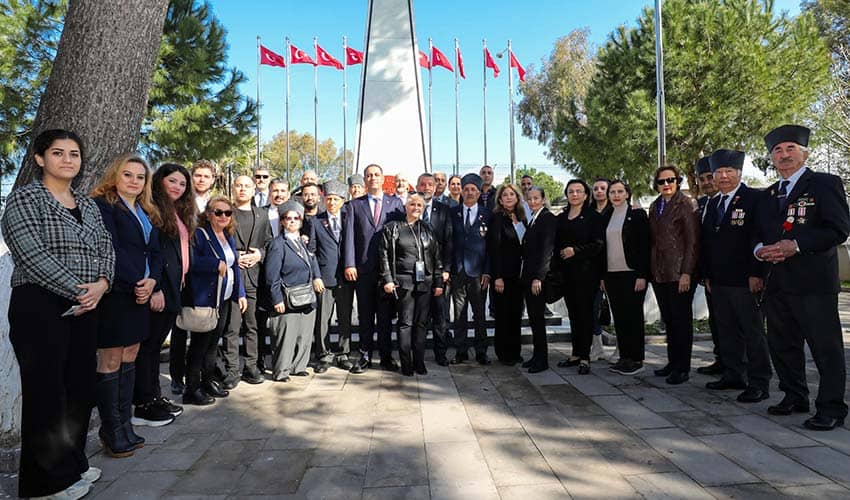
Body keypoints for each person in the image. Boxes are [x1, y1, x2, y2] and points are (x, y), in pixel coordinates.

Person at [2, 129, 114, 498]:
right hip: (41, 306)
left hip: (88, 306)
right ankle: (43, 484)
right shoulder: (25, 199)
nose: (67, 160)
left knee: (79, 390)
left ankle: (72, 466)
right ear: (39, 158)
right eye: (58, 153)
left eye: (74, 154)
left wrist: (102, 284)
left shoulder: (87, 204)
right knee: (47, 394)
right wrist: (80, 289)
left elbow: (106, 250)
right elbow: (31, 255)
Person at [755, 124, 849, 430]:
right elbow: (758, 234)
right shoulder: (769, 194)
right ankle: (794, 395)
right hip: (777, 282)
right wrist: (760, 251)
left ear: (804, 153)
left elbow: (838, 229)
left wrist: (795, 245)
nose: (784, 155)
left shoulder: (824, 184)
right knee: (782, 345)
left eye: (790, 149)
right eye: (778, 151)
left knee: (825, 348)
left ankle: (832, 407)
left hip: (813, 284)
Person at [91, 153, 163, 456]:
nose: (134, 181)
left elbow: (156, 252)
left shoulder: (146, 210)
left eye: (140, 176)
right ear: (115, 176)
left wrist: (152, 281)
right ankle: (110, 429)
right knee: (110, 358)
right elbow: (110, 248)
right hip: (117, 293)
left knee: (131, 354)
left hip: (141, 293)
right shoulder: (104, 206)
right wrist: (137, 281)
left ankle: (124, 424)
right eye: (127, 175)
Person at [700, 149, 772, 402]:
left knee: (753, 333)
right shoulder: (712, 202)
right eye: (719, 172)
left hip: (746, 279)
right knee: (727, 331)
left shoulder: (754, 198)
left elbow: (761, 235)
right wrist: (707, 274)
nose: (723, 176)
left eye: (729, 171)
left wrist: (756, 272)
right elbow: (707, 242)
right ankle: (733, 375)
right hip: (718, 280)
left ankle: (760, 382)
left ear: (739, 173)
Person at [132, 164, 194, 428]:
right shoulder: (152, 208)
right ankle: (143, 404)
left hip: (173, 287)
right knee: (148, 348)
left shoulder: (177, 212)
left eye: (182, 183)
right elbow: (150, 252)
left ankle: (154, 397)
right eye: (172, 181)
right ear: (159, 181)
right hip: (160, 289)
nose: (177, 187)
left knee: (155, 347)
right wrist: (156, 288)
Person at [183, 196, 247, 405]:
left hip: (224, 298)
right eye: (218, 212)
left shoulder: (227, 236)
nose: (223, 216)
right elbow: (190, 262)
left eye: (227, 213)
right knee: (199, 345)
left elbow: (234, 267)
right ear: (208, 214)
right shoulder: (201, 235)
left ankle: (208, 381)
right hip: (206, 299)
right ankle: (192, 389)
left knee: (212, 343)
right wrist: (214, 263)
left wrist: (240, 293)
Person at [342, 164, 405, 373]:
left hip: (387, 270)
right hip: (363, 269)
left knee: (386, 316)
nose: (373, 178)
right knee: (366, 315)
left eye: (376, 175)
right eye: (369, 175)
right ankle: (365, 355)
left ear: (382, 178)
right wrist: (350, 263)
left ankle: (386, 356)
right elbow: (349, 236)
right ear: (365, 180)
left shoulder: (395, 203)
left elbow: (400, 236)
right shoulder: (354, 205)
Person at [379, 194, 445, 376]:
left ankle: (419, 361)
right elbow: (383, 255)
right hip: (403, 282)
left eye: (419, 205)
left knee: (421, 324)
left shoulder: (428, 229)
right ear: (405, 206)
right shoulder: (393, 228)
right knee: (405, 323)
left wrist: (438, 281)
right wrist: (388, 279)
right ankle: (406, 364)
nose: (416, 207)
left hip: (425, 282)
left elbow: (436, 257)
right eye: (412, 204)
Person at [649, 165, 700, 385]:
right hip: (660, 271)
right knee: (669, 320)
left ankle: (683, 367)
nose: (666, 184)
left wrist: (687, 272)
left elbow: (693, 242)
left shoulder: (686, 204)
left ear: (678, 181)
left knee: (681, 320)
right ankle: (672, 362)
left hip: (680, 272)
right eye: (661, 182)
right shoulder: (654, 205)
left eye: (671, 180)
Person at [221, 175, 273, 389]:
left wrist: (259, 255)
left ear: (254, 190)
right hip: (232, 277)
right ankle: (232, 369)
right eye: (239, 185)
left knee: (253, 325)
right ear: (233, 188)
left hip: (254, 276)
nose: (242, 189)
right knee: (232, 327)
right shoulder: (225, 213)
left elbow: (269, 242)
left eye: (247, 186)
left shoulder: (261, 215)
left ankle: (251, 366)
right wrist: (234, 256)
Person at [264, 200, 325, 381]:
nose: (292, 221)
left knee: (304, 335)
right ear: (282, 221)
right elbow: (271, 276)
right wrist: (277, 299)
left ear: (300, 221)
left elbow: (312, 261)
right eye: (287, 218)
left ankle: (299, 366)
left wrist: (317, 276)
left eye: (296, 218)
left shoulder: (301, 241)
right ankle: (282, 371)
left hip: (306, 296)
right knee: (286, 337)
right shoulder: (278, 244)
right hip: (287, 298)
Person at [554, 180, 604, 374]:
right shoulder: (562, 217)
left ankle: (585, 357)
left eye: (578, 191)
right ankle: (575, 354)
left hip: (587, 274)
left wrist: (576, 251)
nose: (574, 194)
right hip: (567, 275)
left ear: (585, 195)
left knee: (585, 315)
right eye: (570, 191)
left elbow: (598, 245)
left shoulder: (593, 217)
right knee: (573, 315)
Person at [601, 180, 650, 376]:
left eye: (620, 191)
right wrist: (603, 276)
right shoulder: (606, 216)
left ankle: (636, 359)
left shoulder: (637, 215)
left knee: (633, 317)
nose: (616, 195)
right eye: (612, 192)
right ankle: (624, 357)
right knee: (619, 318)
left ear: (627, 194)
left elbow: (645, 247)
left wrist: (642, 275)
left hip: (632, 274)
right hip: (612, 275)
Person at [307, 180, 355, 372]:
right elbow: (311, 252)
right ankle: (323, 354)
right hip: (324, 278)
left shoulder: (349, 219)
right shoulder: (316, 222)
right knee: (323, 319)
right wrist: (316, 276)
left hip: (345, 277)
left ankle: (344, 353)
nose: (332, 203)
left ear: (343, 201)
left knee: (345, 317)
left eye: (335, 199)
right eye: (328, 199)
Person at [449, 173, 492, 364]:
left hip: (478, 274)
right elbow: (447, 243)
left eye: (473, 189)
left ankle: (481, 351)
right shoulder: (452, 213)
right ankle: (461, 351)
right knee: (459, 315)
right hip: (458, 272)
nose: (469, 192)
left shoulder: (487, 214)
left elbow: (492, 247)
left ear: (478, 191)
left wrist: (487, 271)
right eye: (466, 189)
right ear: (461, 191)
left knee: (479, 314)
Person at [519, 186, 558, 373]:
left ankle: (542, 360)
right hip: (528, 276)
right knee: (534, 320)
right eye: (529, 199)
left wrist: (538, 278)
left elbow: (546, 251)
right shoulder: (534, 219)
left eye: (536, 198)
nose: (532, 201)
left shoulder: (547, 218)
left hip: (537, 279)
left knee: (538, 319)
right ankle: (536, 355)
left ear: (543, 199)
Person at [487, 184, 527, 365]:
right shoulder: (497, 218)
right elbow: (494, 250)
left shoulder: (522, 217)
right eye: (505, 195)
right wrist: (497, 276)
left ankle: (515, 351)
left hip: (519, 276)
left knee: (516, 314)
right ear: (500, 199)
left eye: (512, 194)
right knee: (503, 315)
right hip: (503, 276)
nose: (509, 197)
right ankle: (504, 354)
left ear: (517, 197)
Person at [417, 173, 453, 365]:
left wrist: (446, 269)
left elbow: (449, 242)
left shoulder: (444, 210)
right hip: (416, 273)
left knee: (440, 318)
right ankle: (419, 355)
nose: (426, 187)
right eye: (422, 184)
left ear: (435, 187)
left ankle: (441, 354)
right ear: (417, 186)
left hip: (438, 272)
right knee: (420, 317)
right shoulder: (410, 208)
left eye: (430, 184)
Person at [694, 156, 723, 376]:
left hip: (736, 277)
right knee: (717, 322)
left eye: (709, 177)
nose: (706, 182)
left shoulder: (737, 200)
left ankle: (743, 366)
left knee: (738, 326)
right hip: (711, 275)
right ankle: (722, 359)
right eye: (701, 179)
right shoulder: (703, 204)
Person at [589, 177, 612, 361]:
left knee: (617, 312)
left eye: (603, 188)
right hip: (593, 270)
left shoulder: (617, 211)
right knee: (592, 309)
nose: (599, 191)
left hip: (615, 267)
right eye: (595, 188)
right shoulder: (588, 213)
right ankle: (597, 348)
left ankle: (621, 349)